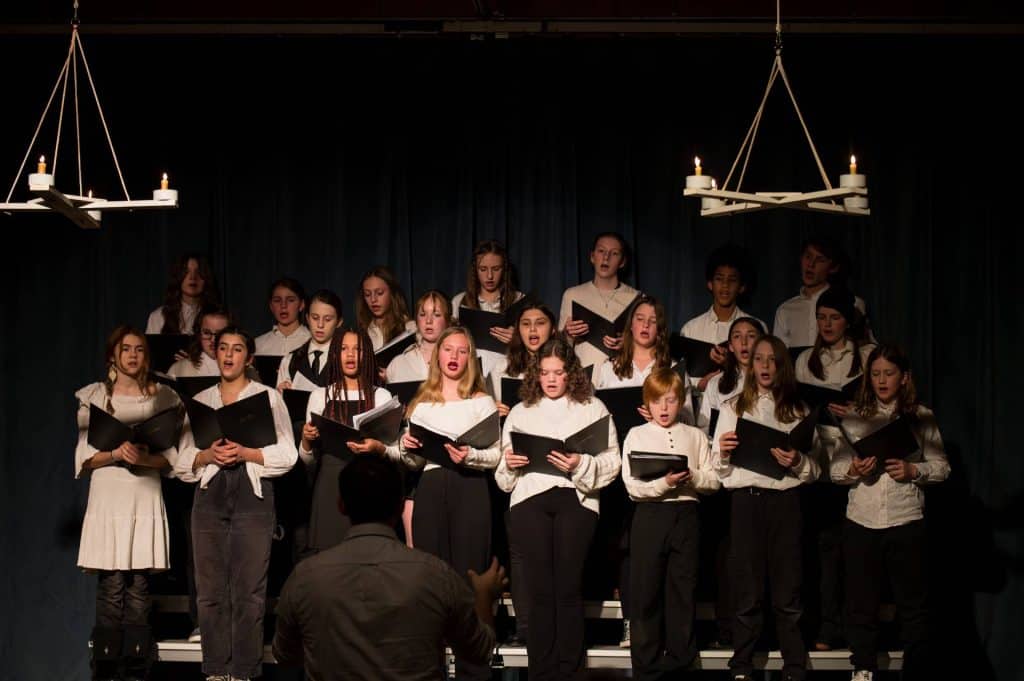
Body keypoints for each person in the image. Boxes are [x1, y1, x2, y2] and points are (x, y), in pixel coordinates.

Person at [272, 456, 505, 681]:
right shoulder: (435, 575)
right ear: (401, 505)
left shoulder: (306, 577)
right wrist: (483, 597)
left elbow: (285, 655)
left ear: (341, 505)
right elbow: (479, 651)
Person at [175, 326, 298, 681]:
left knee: (249, 590)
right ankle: (216, 671)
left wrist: (247, 452)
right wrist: (207, 455)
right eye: (223, 348)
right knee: (210, 589)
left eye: (237, 349)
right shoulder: (201, 400)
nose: (229, 355)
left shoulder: (267, 398)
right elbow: (180, 462)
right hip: (210, 494)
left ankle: (244, 672)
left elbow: (288, 454)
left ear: (249, 357)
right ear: (216, 353)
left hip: (251, 492)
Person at [495, 337, 621, 680]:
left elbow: (613, 461)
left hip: (575, 498)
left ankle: (570, 671)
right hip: (530, 499)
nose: (551, 379)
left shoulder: (592, 408)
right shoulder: (521, 412)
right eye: (545, 372)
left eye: (559, 372)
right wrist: (510, 462)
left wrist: (580, 463)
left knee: (567, 588)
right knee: (538, 591)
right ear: (536, 374)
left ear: (571, 374)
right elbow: (503, 478)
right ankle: (542, 672)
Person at [830, 345, 949, 681]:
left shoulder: (921, 416)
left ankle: (917, 670)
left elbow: (942, 467)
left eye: (889, 373)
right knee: (860, 603)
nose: (882, 380)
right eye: (876, 374)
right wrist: (854, 469)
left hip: (905, 518)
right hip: (862, 520)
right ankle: (863, 668)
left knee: (913, 607)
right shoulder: (855, 416)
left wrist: (914, 471)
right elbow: (835, 470)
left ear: (904, 377)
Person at [712, 335, 821, 681]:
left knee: (788, 590)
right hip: (746, 503)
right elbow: (719, 471)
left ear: (782, 365)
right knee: (747, 590)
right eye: (759, 359)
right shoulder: (732, 408)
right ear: (750, 365)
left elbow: (816, 470)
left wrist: (798, 460)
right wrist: (724, 453)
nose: (765, 365)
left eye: (772, 359)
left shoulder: (798, 411)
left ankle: (794, 667)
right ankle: (742, 666)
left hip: (786, 503)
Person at [75, 327, 181, 681]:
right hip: (109, 496)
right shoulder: (95, 396)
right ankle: (107, 671)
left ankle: (136, 671)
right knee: (111, 587)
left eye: (139, 349)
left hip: (143, 494)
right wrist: (115, 454)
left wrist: (142, 458)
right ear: (113, 355)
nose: (133, 355)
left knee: (138, 588)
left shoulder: (162, 397)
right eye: (125, 349)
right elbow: (84, 459)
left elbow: (172, 458)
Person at [396, 327, 501, 681]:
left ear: (470, 358)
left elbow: (496, 455)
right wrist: (408, 448)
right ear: (437, 355)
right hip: (430, 488)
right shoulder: (422, 404)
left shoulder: (481, 402)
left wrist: (470, 455)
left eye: (462, 351)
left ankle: (474, 671)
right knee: (432, 581)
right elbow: (413, 462)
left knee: (469, 580)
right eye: (448, 349)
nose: (454, 357)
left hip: (470, 487)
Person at [621, 368, 719, 679]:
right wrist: (664, 483)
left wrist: (691, 476)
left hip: (686, 515)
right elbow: (632, 486)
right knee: (646, 594)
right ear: (647, 403)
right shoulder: (637, 434)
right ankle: (646, 670)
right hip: (650, 515)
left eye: (671, 400)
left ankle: (680, 665)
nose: (664, 408)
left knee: (682, 594)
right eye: (657, 401)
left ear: (681, 402)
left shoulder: (695, 435)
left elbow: (713, 481)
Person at [794, 286, 875, 651]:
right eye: (821, 318)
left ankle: (850, 627)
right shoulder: (804, 360)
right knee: (818, 548)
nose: (827, 324)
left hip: (855, 456)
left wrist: (854, 412)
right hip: (817, 458)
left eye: (835, 318)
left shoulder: (866, 356)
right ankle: (822, 626)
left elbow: (883, 406)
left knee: (851, 551)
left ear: (848, 321)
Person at [299, 328, 396, 552]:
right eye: (344, 349)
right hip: (330, 486)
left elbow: (394, 453)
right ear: (335, 354)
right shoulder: (319, 396)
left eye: (357, 349)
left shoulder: (381, 396)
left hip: (371, 485)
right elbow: (308, 461)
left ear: (366, 354)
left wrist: (378, 448)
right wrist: (306, 440)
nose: (350, 355)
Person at [679, 244, 761, 391]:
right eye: (719, 279)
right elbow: (680, 381)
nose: (725, 286)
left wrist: (731, 365)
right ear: (710, 284)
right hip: (701, 402)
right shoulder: (690, 329)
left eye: (732, 280)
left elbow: (763, 371)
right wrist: (699, 385)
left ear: (741, 287)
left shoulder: (756, 327)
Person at [559, 232, 640, 368]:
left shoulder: (636, 298)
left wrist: (629, 343)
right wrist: (568, 333)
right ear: (592, 256)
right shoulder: (572, 294)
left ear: (622, 262)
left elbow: (647, 346)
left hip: (622, 373)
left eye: (614, 253)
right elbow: (560, 347)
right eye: (601, 251)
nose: (606, 257)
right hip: (584, 373)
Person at [772, 236, 867, 349]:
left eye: (820, 260)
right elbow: (779, 354)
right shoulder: (785, 310)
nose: (811, 264)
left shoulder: (852, 303)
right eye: (808, 257)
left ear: (833, 267)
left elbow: (866, 348)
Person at [451, 239, 524, 373]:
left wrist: (517, 339)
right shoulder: (460, 301)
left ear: (504, 270)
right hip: (471, 372)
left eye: (496, 269)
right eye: (483, 269)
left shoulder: (518, 299)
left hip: (508, 371)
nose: (489, 276)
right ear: (475, 270)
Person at [276, 289, 343, 391]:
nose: (320, 325)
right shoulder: (290, 360)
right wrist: (281, 393)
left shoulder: (345, 359)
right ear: (307, 318)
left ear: (339, 322)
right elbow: (279, 399)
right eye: (315, 318)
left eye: (327, 319)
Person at [146, 253, 220, 335]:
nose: (192, 277)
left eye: (198, 272)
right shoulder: (158, 317)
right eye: (187, 272)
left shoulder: (218, 317)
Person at [355, 266, 416, 352]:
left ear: (392, 294)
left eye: (379, 293)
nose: (373, 299)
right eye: (367, 294)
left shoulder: (410, 328)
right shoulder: (361, 334)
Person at [167, 305, 231, 378]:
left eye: (219, 334)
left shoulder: (240, 369)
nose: (213, 339)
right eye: (207, 333)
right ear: (199, 334)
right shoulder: (179, 369)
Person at [255, 277, 311, 356]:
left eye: (290, 300)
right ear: (271, 306)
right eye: (277, 300)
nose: (283, 305)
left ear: (301, 304)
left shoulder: (312, 341)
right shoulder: (258, 345)